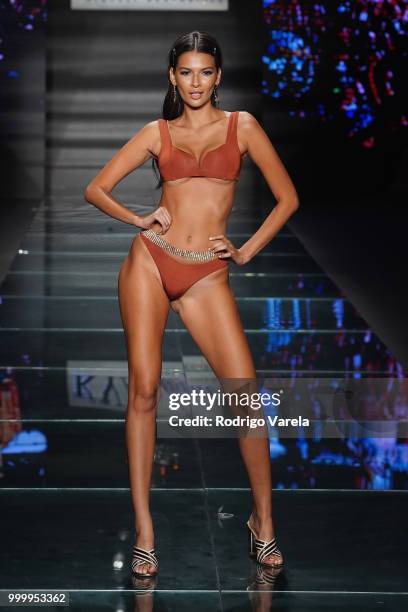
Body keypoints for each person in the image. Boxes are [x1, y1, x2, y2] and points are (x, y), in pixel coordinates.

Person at [84, 30, 299, 578]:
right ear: (172, 77)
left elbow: (288, 197)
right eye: (186, 73)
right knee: (145, 390)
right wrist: (139, 219)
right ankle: (146, 531)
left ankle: (263, 523)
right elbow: (97, 188)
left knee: (246, 398)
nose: (196, 82)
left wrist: (245, 250)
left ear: (218, 76)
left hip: (207, 274)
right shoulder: (158, 132)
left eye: (206, 72)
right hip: (151, 262)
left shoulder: (241, 126)